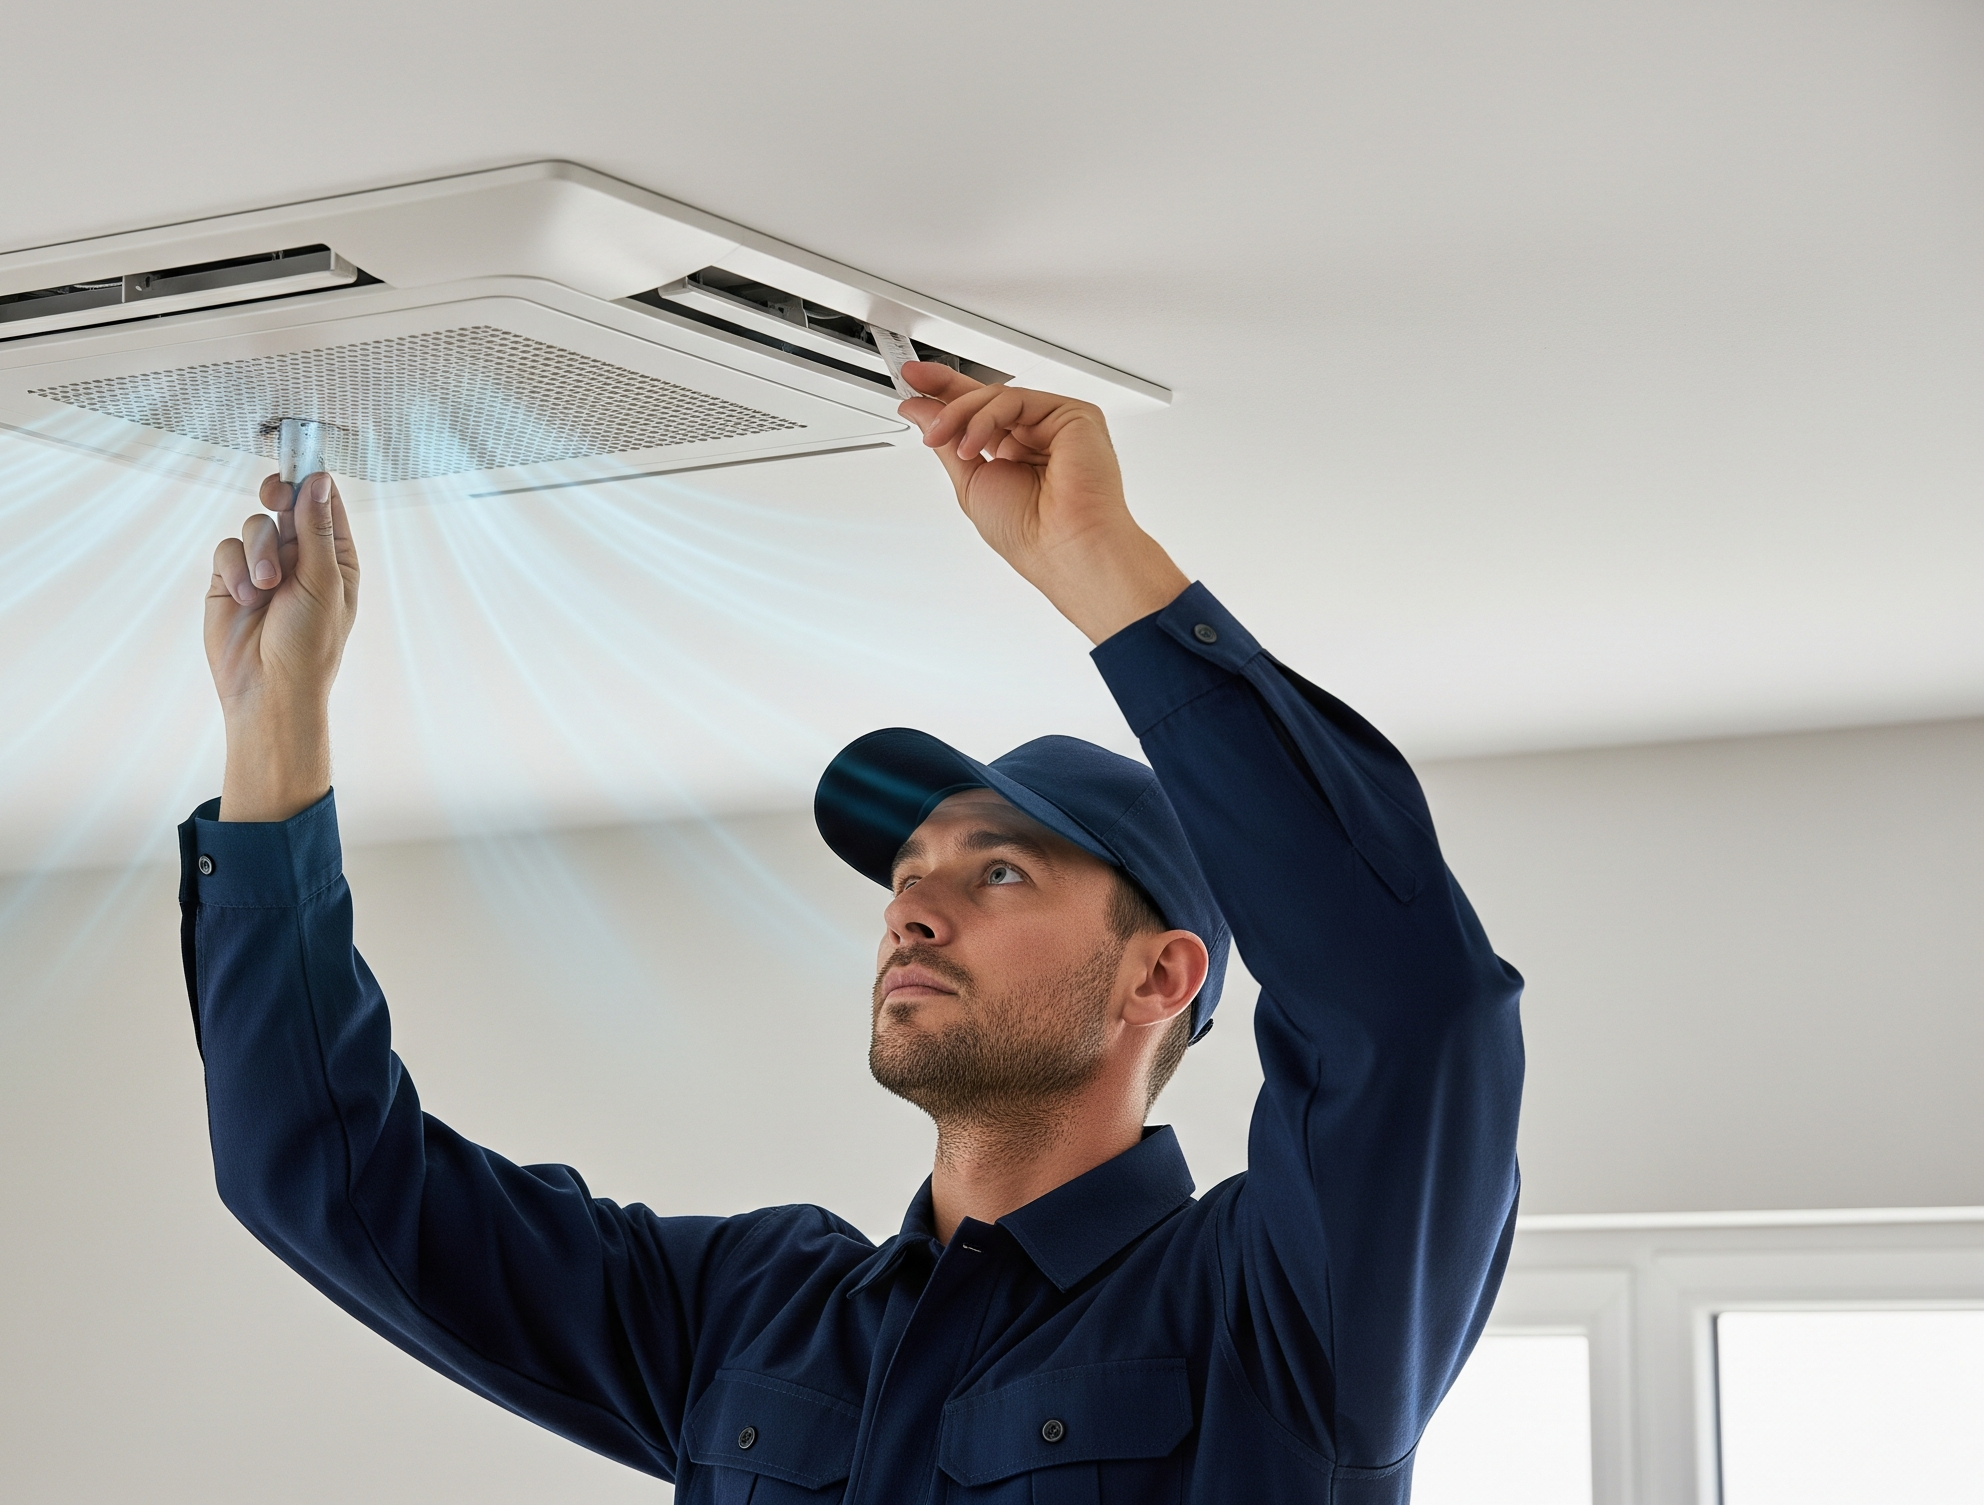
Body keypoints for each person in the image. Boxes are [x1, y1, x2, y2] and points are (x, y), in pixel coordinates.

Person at [181, 362, 1525, 1504]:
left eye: (998, 875)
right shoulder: (755, 1312)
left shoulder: (1271, 1316)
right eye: (908, 874)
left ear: (1160, 974)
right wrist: (274, 730)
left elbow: (1411, 1015)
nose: (912, 910)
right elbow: (326, 1181)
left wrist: (1103, 571)